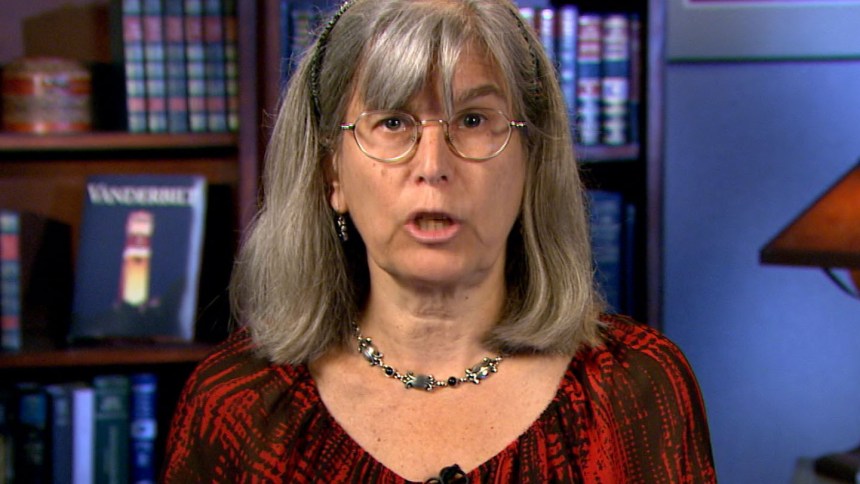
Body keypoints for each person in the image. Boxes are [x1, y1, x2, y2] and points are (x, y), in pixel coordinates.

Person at [162, 0, 716, 482]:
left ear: (531, 163)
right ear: (331, 173)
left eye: (472, 120)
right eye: (393, 123)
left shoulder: (636, 390)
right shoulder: (237, 405)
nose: (433, 165)